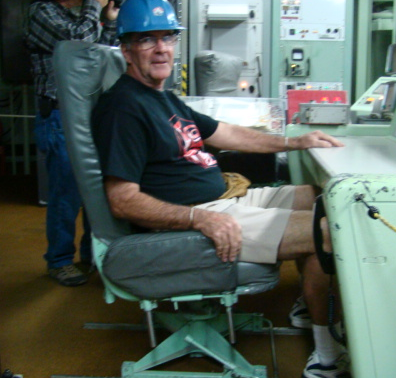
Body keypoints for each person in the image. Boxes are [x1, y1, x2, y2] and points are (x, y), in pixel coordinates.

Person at [92, 1, 349, 376]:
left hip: (225, 196)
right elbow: (122, 200)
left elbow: (223, 132)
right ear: (126, 49)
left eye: (168, 37)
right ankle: (327, 354)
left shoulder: (161, 96)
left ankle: (309, 304)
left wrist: (293, 142)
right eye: (147, 39)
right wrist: (199, 218)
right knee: (329, 231)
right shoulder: (123, 108)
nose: (161, 48)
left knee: (324, 199)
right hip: (204, 211)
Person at [26, 0, 119, 286]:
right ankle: (59, 261)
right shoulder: (42, 12)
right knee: (67, 193)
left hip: (89, 112)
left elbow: (98, 55)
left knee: (97, 189)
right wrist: (94, 5)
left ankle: (92, 256)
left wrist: (111, 21)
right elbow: (78, 41)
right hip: (58, 114)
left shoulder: (79, 17)